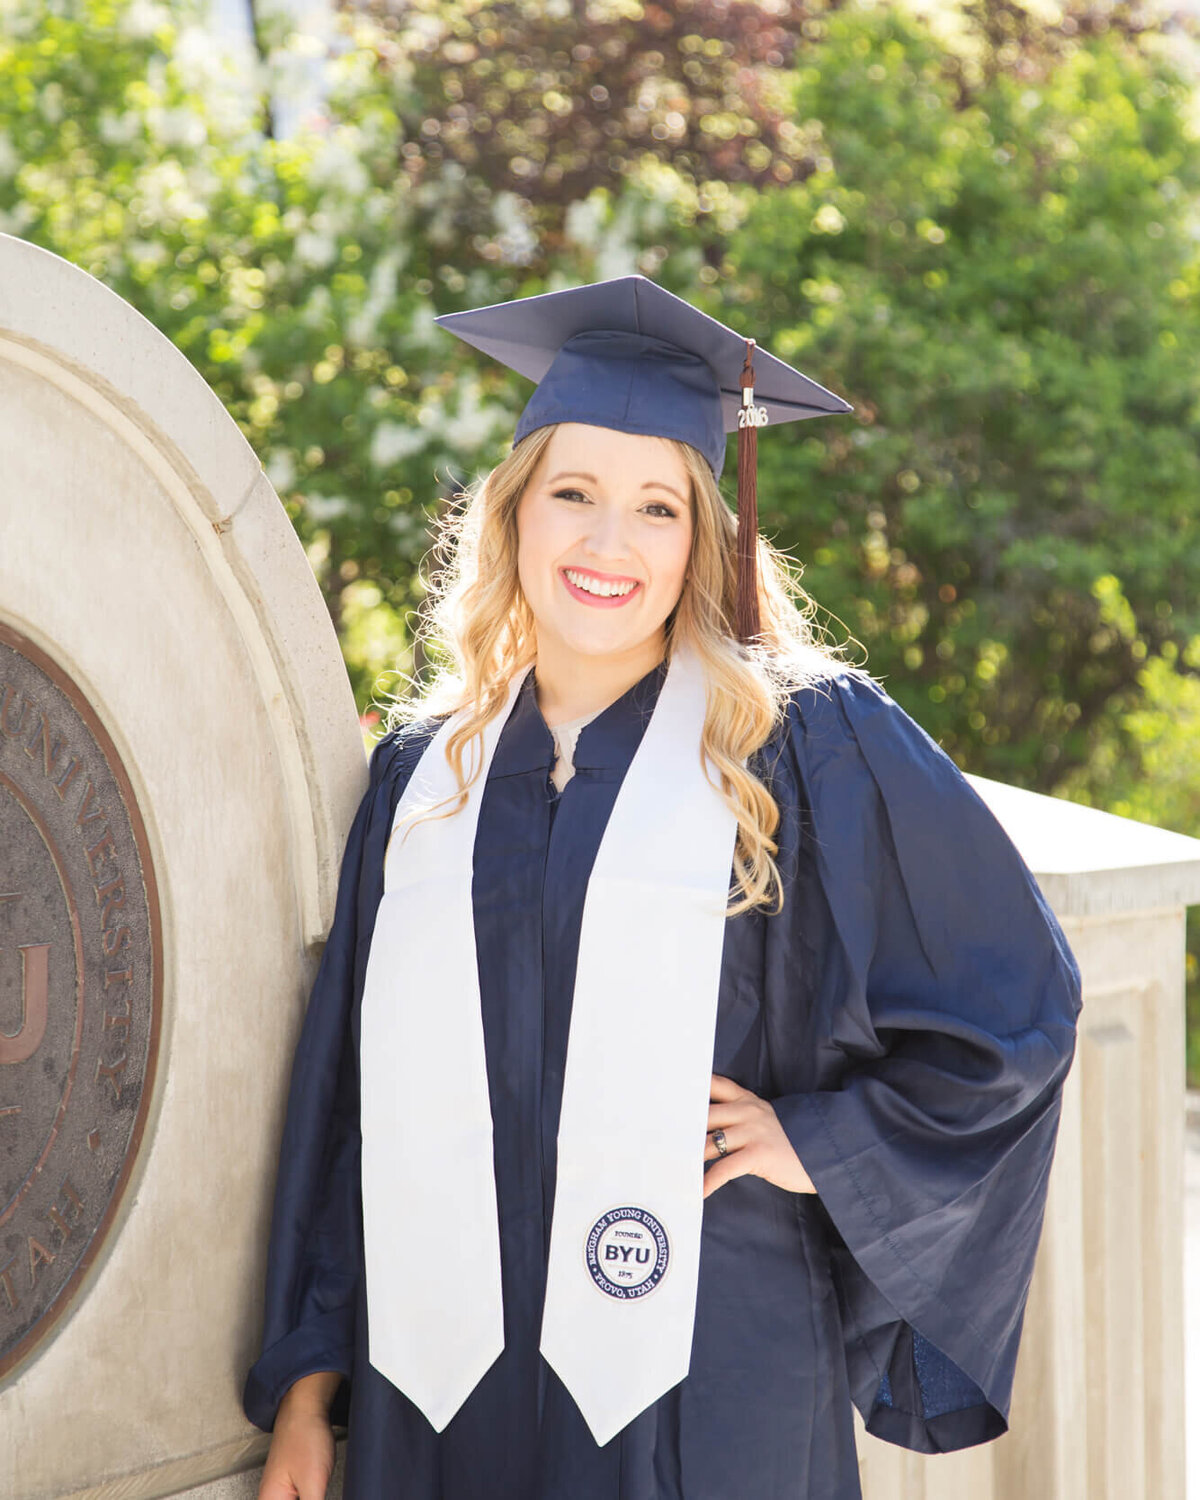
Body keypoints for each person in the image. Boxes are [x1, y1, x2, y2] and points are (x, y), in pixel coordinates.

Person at [242, 275, 1082, 1500]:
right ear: (514, 513)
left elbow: (1019, 1007)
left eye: (656, 509)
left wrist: (827, 1142)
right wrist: (310, 1397)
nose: (607, 544)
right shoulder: (426, 781)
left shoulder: (801, 747)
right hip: (441, 1394)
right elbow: (348, 1108)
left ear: (702, 539)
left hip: (709, 1378)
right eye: (573, 493)